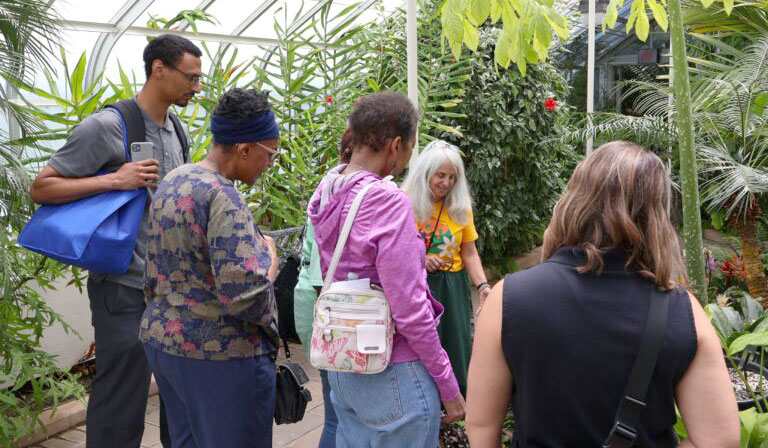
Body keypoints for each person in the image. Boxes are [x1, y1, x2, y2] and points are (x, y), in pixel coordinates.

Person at [465, 141, 740, 448]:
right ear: (657, 217)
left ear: (573, 201)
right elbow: (720, 439)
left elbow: (480, 427)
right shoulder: (682, 311)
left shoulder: (507, 299)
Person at [29, 34, 202, 448]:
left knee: (181, 397)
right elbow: (42, 188)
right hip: (124, 288)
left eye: (199, 79)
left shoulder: (176, 128)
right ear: (159, 69)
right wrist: (115, 179)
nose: (196, 87)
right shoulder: (107, 126)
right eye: (190, 77)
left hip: (172, 290)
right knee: (120, 399)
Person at [307, 92, 465, 448]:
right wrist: (448, 385)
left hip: (345, 366)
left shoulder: (329, 187)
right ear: (396, 145)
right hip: (393, 371)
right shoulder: (387, 199)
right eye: (410, 148)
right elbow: (409, 309)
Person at [140, 88, 280, 448]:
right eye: (270, 155)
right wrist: (270, 265)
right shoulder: (223, 196)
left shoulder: (175, 179)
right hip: (219, 357)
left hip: (166, 342)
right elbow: (242, 292)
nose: (268, 166)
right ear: (245, 149)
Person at [401, 139, 490, 395]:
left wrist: (483, 285)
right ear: (425, 173)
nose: (446, 183)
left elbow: (469, 251)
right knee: (420, 347)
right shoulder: (404, 202)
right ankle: (422, 398)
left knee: (457, 346)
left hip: (453, 286)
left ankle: (457, 405)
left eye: (452, 177)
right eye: (440, 175)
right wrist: (421, 259)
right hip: (418, 286)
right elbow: (394, 252)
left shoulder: (460, 206)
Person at [293, 129, 351, 448]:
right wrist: (333, 335)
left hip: (319, 312)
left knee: (337, 412)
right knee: (337, 417)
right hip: (325, 316)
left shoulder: (332, 185)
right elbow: (320, 279)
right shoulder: (335, 193)